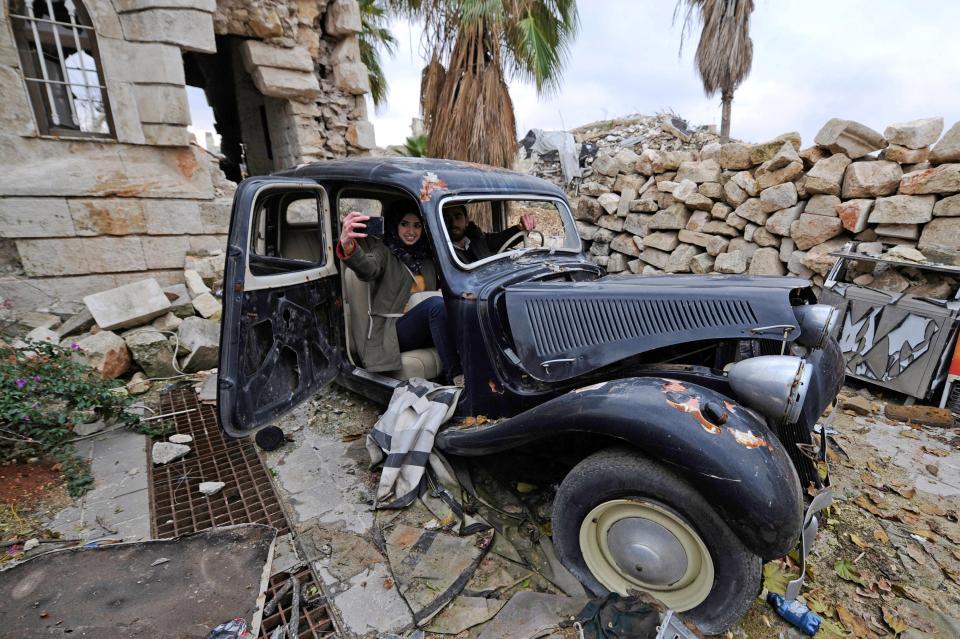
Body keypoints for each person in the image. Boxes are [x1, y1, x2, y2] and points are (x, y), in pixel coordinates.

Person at [337, 205, 462, 385]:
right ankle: (456, 378)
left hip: (426, 325)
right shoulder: (385, 251)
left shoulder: (427, 257)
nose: (411, 231)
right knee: (435, 305)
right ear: (395, 225)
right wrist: (349, 247)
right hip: (393, 330)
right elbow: (368, 269)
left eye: (417, 225)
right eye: (404, 224)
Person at [443, 204, 537, 263]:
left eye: (457, 217)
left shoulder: (478, 239)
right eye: (447, 219)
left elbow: (501, 238)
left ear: (467, 221)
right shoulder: (441, 251)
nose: (453, 223)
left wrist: (520, 228)